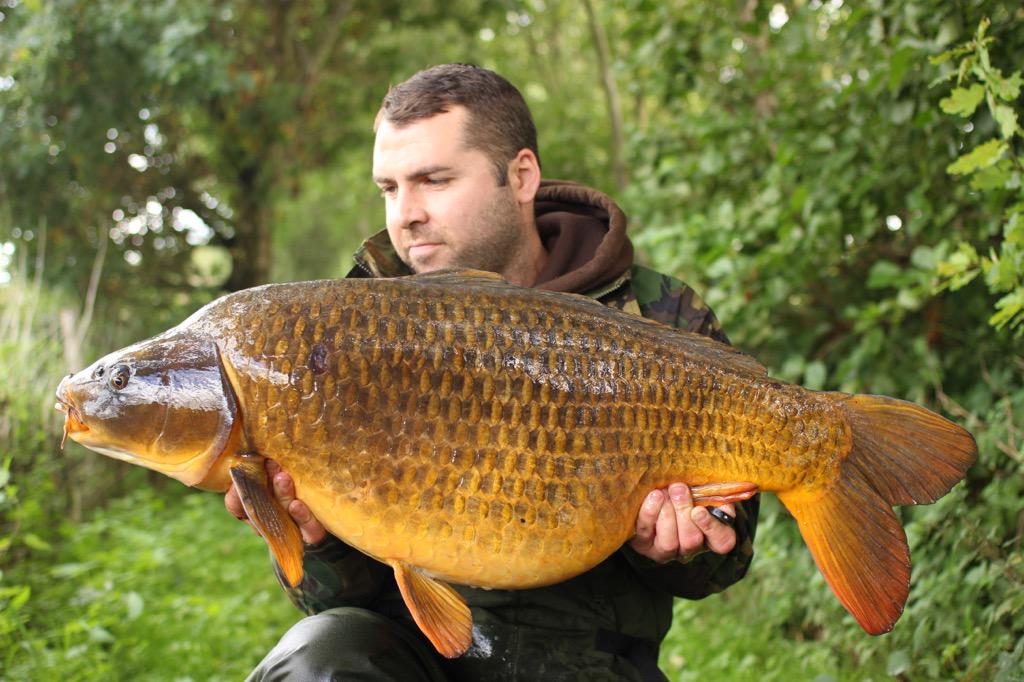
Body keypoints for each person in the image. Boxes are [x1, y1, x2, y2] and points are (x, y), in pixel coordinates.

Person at [227, 63, 759, 682]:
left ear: (521, 175)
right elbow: (329, 599)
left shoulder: (657, 316)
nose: (406, 214)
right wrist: (314, 536)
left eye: (433, 180)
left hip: (593, 660)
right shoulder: (348, 329)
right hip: (408, 654)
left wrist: (668, 548)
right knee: (317, 655)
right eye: (389, 188)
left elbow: (724, 560)